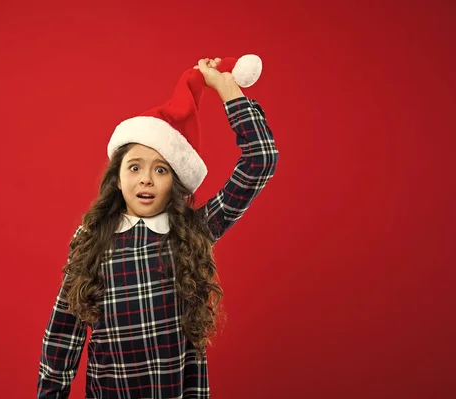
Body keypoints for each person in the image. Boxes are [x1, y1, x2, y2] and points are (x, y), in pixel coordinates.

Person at [37, 55, 279, 398]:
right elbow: (64, 334)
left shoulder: (195, 230)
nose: (146, 180)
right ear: (117, 180)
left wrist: (228, 91)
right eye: (135, 168)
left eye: (161, 170)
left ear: (176, 182)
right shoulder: (93, 240)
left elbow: (261, 159)